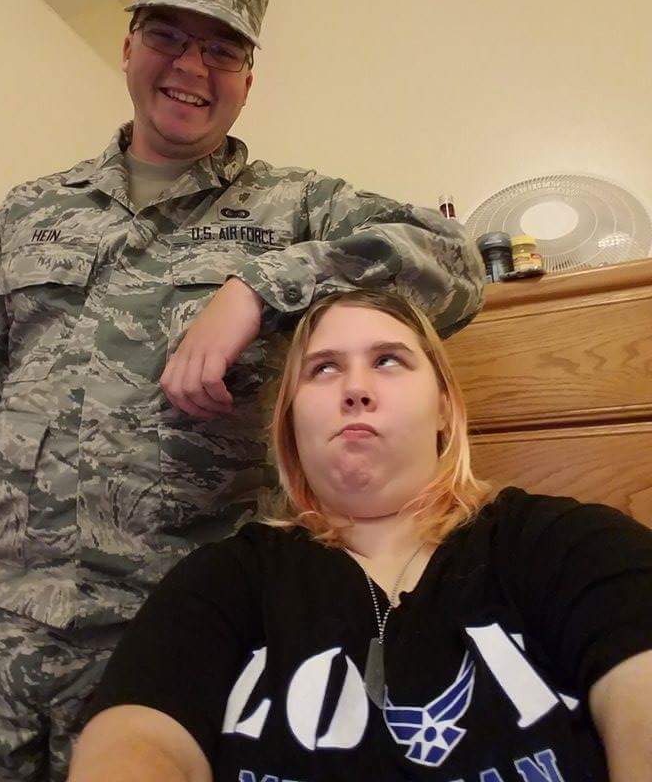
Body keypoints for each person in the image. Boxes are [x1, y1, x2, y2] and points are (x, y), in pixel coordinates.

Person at [0, 0, 486, 781]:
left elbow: (456, 265)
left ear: (248, 80)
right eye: (168, 35)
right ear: (128, 48)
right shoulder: (30, 212)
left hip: (175, 629)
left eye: (222, 49)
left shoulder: (294, 205)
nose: (192, 66)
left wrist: (262, 285)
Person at [71, 289, 652, 782]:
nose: (355, 388)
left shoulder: (570, 545)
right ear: (291, 422)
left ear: (444, 407)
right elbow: (136, 739)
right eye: (323, 369)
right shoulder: (223, 580)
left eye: (389, 360)